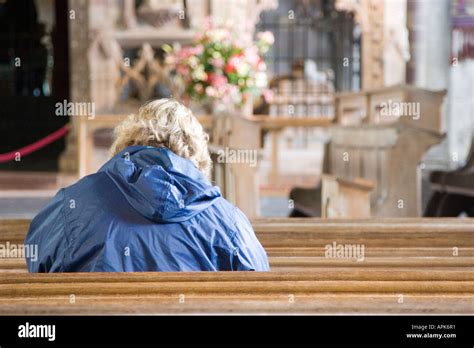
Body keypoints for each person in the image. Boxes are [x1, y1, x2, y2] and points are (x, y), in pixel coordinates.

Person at [25, 99, 270, 272]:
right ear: (198, 156)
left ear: (126, 143)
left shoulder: (70, 205)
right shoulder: (228, 222)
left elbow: (38, 260)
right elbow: (258, 289)